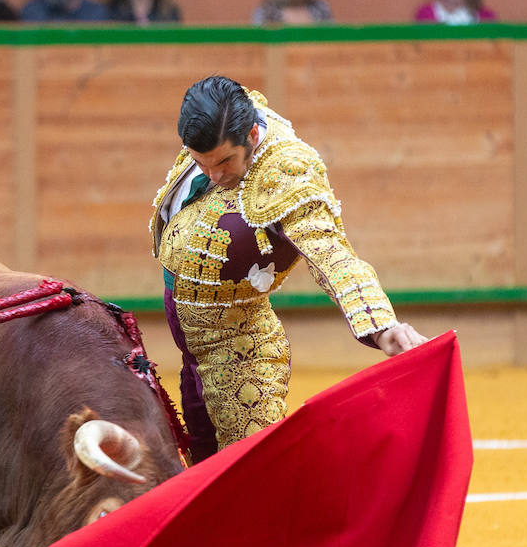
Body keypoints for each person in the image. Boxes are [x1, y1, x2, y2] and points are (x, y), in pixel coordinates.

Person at [149, 75, 427, 462]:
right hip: (194, 349)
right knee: (201, 465)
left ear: (251, 134)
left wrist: (382, 326)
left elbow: (329, 251)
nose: (213, 175)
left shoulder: (287, 171)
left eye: (225, 161)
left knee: (246, 475)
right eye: (201, 163)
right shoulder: (221, 123)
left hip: (239, 351)